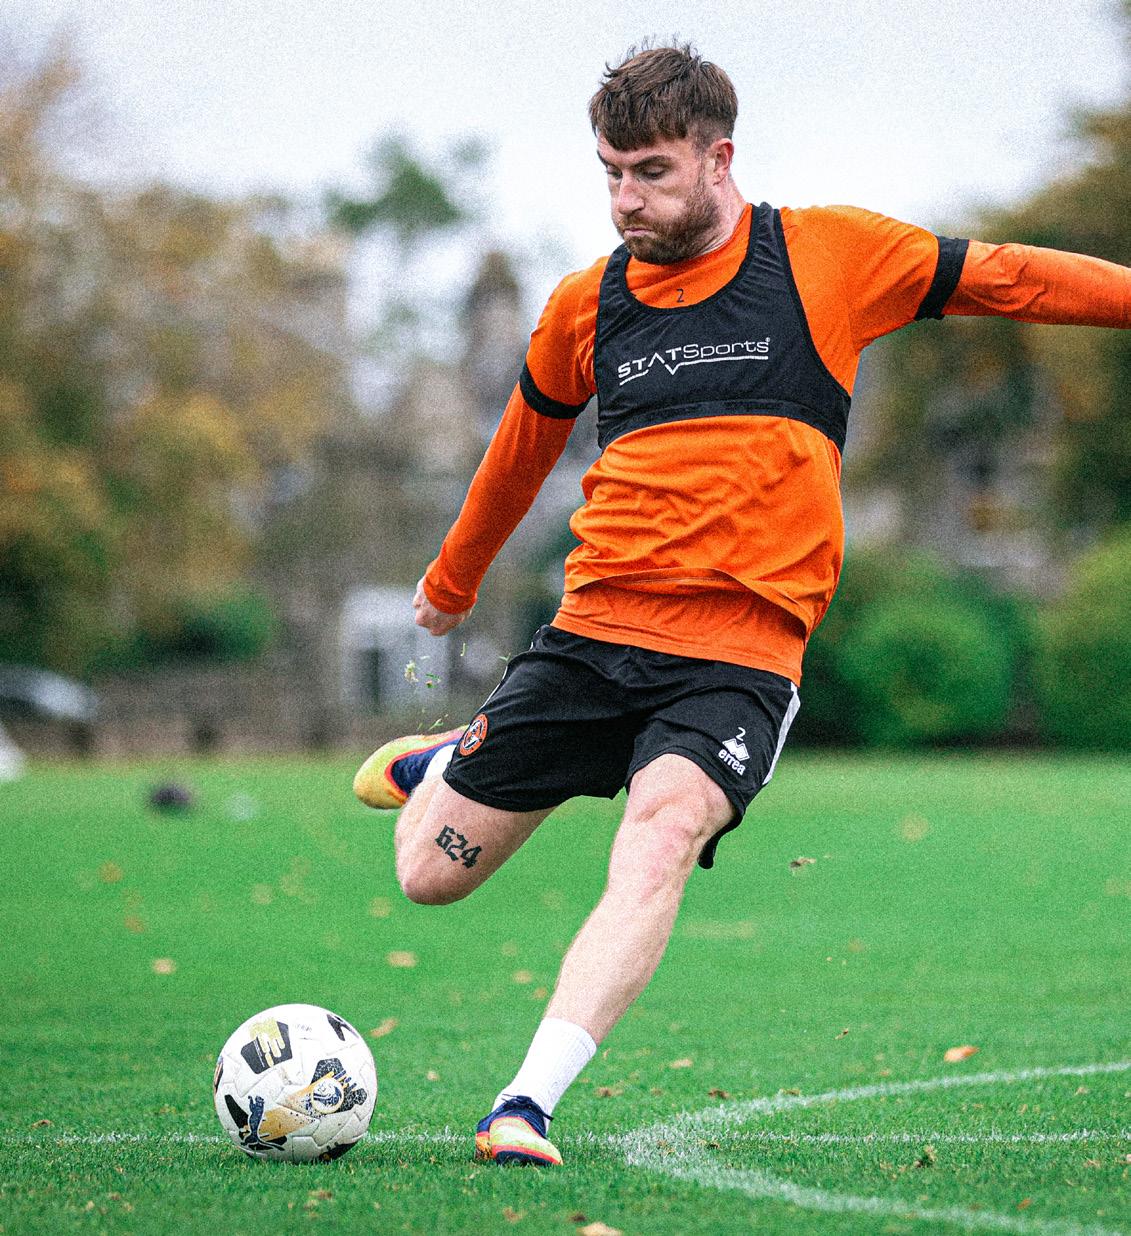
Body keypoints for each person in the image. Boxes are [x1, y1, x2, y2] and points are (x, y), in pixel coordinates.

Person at [354, 43, 1130, 1167]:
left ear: (719, 159)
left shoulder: (830, 256)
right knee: (427, 875)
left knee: (660, 834)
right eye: (611, 173)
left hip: (739, 656)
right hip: (592, 636)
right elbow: (518, 453)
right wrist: (448, 585)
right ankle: (447, 759)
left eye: (652, 173)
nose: (626, 199)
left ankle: (524, 1103)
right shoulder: (586, 305)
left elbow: (1009, 276)